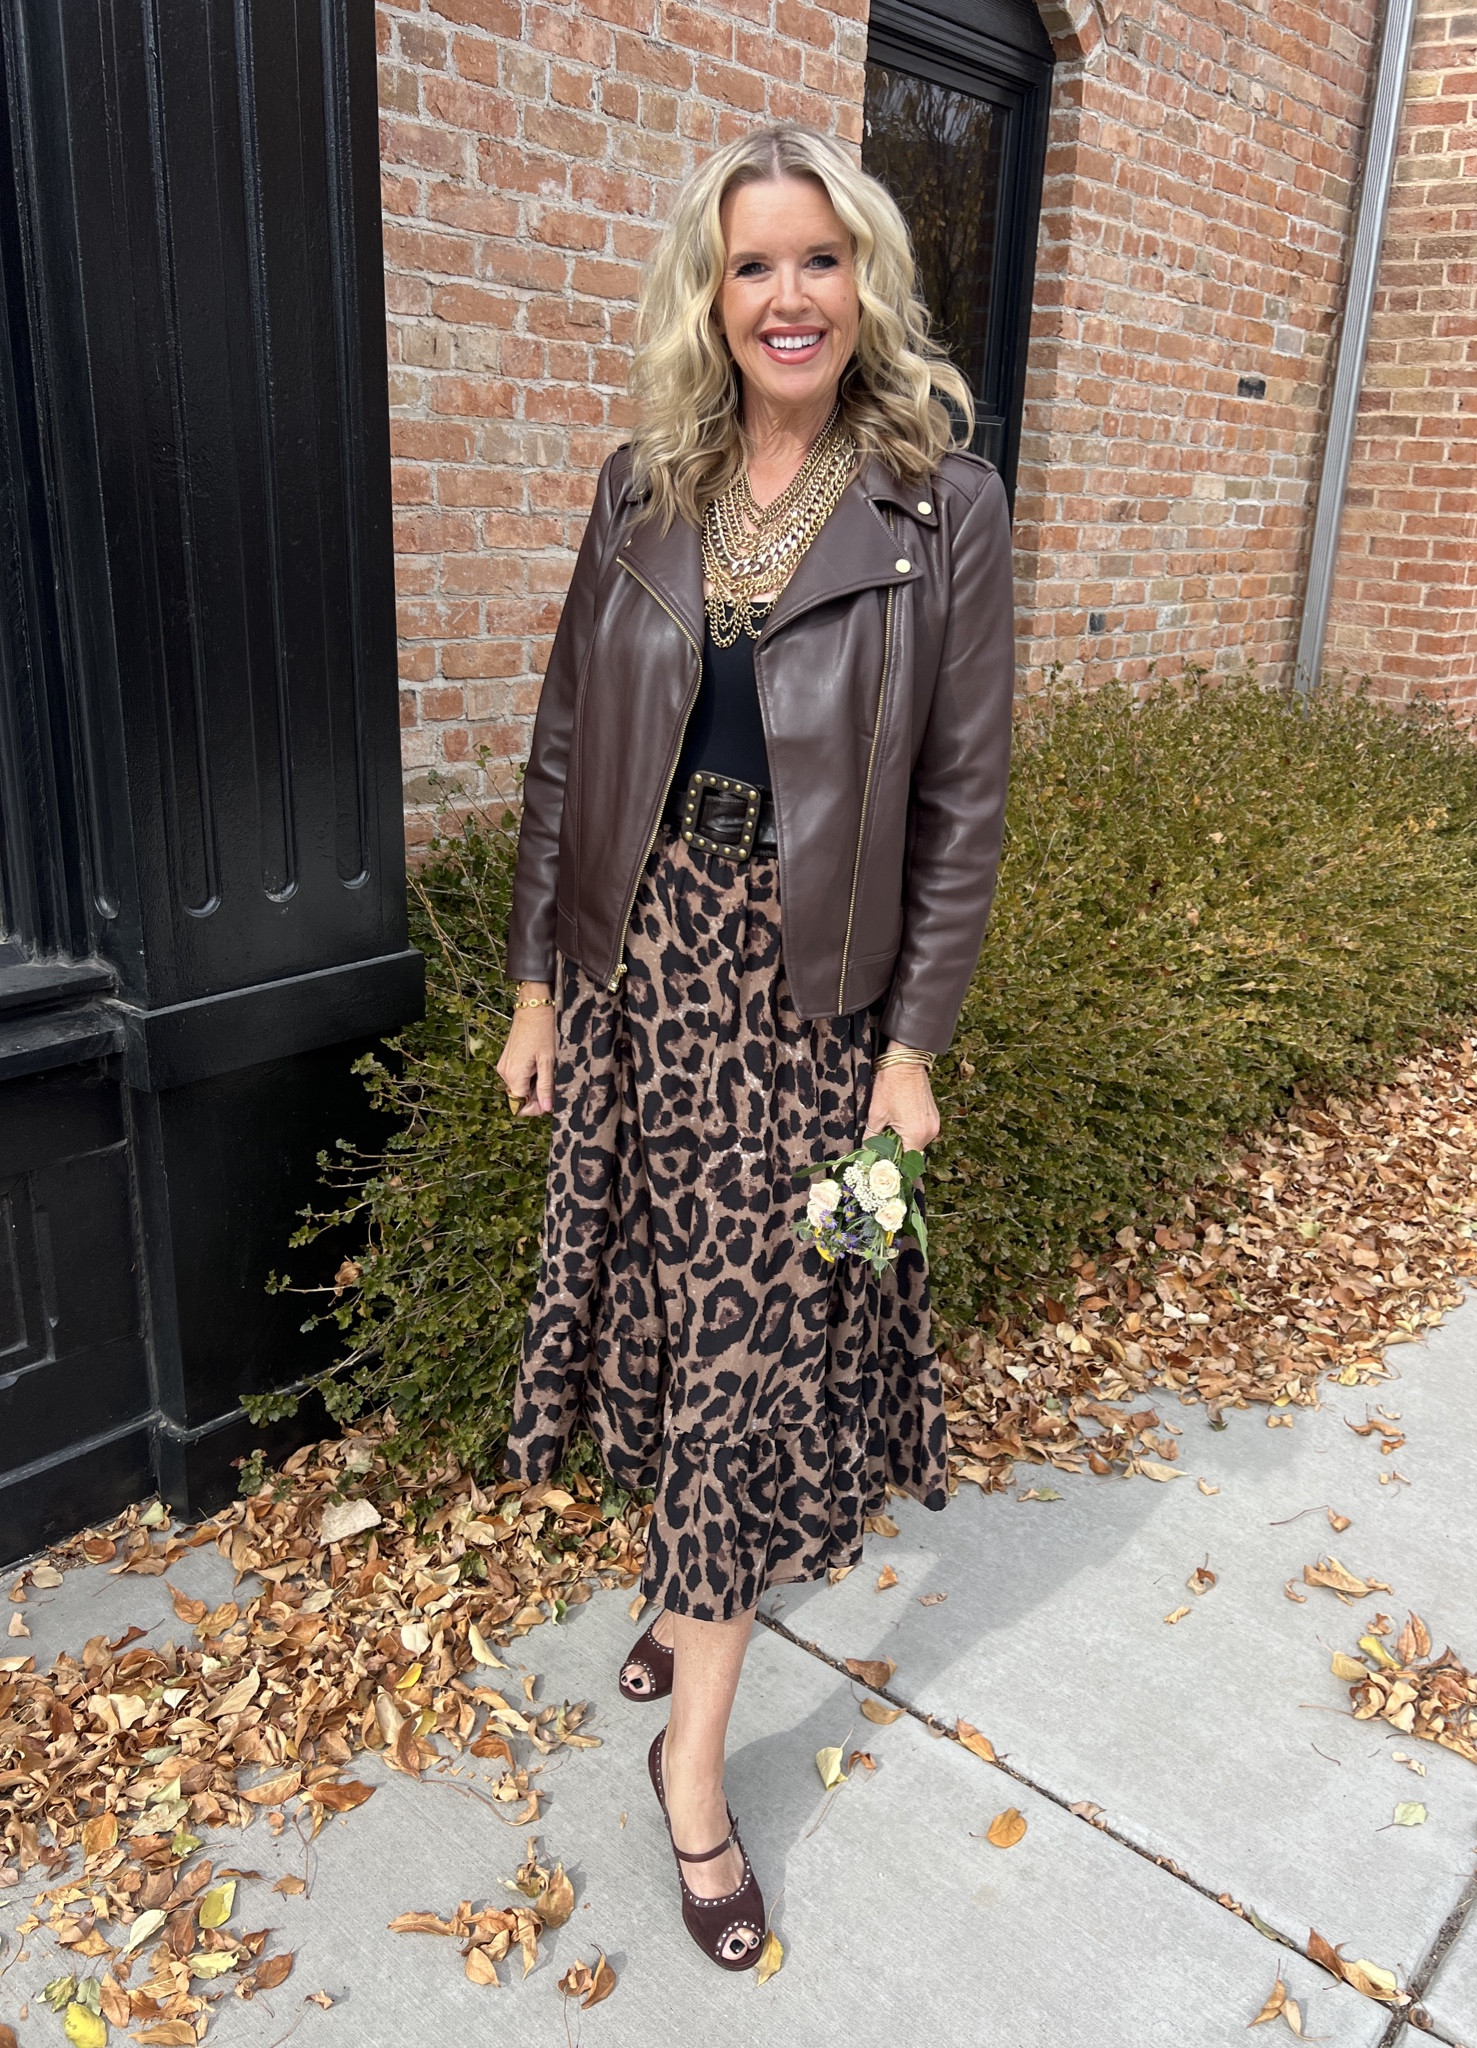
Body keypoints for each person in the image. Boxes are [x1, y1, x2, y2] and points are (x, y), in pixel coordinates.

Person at [495, 121, 1015, 1972]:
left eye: (817, 260)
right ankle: (689, 1587)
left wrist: (915, 1041)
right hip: (642, 980)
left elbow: (961, 799)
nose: (785, 296)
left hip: (814, 1011)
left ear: (864, 282)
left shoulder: (941, 505)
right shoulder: (644, 485)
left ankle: (690, 1760)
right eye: (750, 265)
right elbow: (568, 747)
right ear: (706, 296)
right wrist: (543, 982)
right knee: (665, 1317)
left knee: (762, 1346)